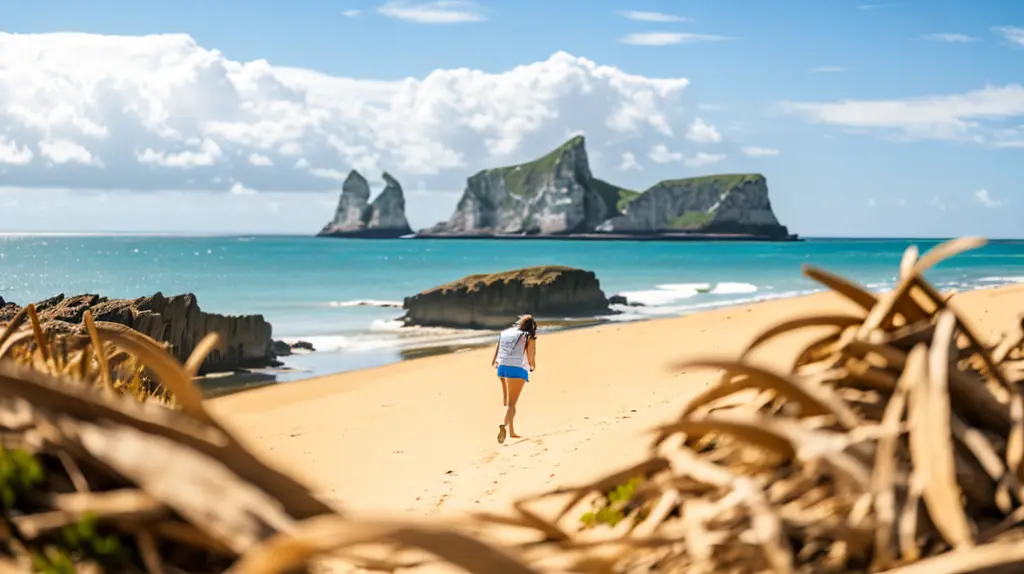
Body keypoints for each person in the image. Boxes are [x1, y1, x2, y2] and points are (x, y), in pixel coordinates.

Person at [490, 314, 537, 444]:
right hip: (517, 369)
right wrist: (532, 367)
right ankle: (503, 426)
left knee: (508, 401)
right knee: (512, 405)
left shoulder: (505, 332)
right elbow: (530, 356)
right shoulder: (528, 336)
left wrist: (494, 363)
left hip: (502, 367)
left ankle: (512, 432)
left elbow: (498, 349)